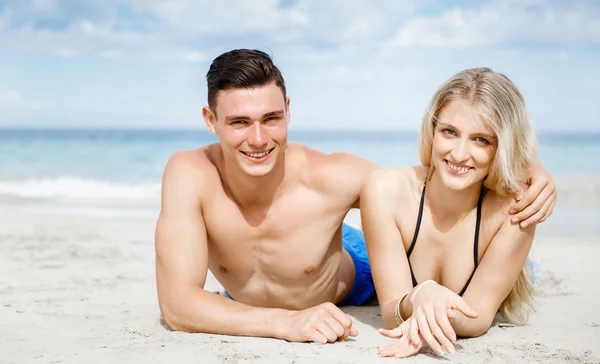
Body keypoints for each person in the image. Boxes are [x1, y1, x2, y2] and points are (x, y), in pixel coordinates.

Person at [154, 50, 556, 344]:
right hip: (293, 282)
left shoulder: (333, 177)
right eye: (239, 122)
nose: (258, 139)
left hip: (355, 268)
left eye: (271, 119)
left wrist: (526, 169)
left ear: (288, 111)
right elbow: (176, 307)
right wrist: (284, 323)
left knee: (480, 271)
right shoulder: (189, 174)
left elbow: (426, 188)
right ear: (210, 120)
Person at [360, 67, 546, 358]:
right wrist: (422, 294)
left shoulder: (513, 211)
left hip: (500, 259)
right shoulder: (385, 189)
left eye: (481, 140)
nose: (459, 154)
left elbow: (477, 318)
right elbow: (390, 309)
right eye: (449, 132)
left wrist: (426, 307)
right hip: (368, 252)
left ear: (503, 147)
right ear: (432, 130)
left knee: (529, 275)